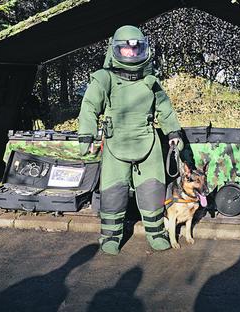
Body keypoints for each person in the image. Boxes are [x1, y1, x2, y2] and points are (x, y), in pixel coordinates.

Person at [78, 25, 182, 255]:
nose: (131, 53)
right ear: (115, 50)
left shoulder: (150, 81)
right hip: (116, 142)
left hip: (147, 139)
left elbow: (165, 109)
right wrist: (86, 135)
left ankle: (156, 233)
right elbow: (89, 107)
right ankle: (110, 236)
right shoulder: (104, 79)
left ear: (143, 50)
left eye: (136, 50)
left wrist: (173, 134)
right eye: (125, 49)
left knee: (153, 189)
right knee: (114, 192)